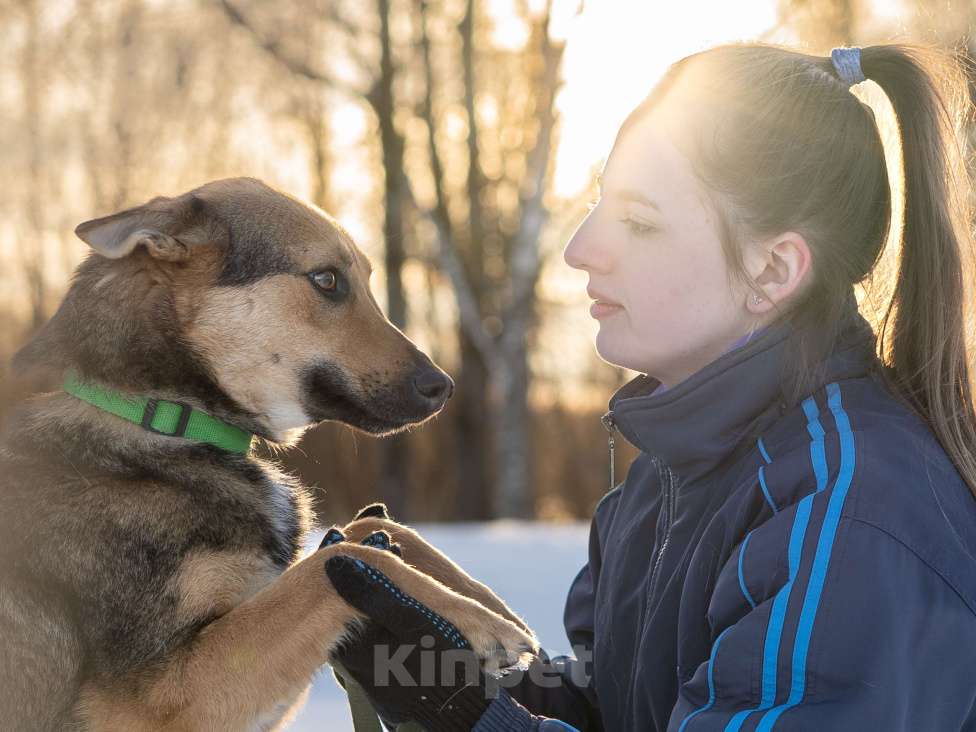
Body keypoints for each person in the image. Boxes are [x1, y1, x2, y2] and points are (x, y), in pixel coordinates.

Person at [324, 41, 976, 731]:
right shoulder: (665, 480)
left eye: (638, 221)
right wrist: (461, 662)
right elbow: (616, 711)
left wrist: (470, 721)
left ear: (774, 270)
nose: (581, 248)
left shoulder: (849, 513)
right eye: (599, 203)